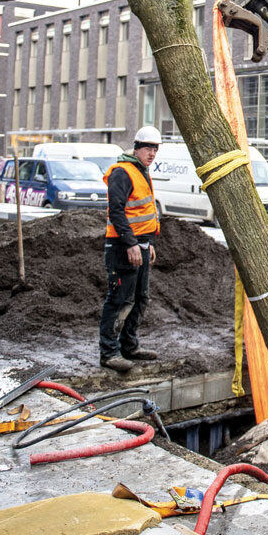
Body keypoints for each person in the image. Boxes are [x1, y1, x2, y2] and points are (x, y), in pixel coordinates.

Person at [99, 126, 162, 373]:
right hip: (122, 247)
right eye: (148, 148)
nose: (152, 153)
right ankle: (109, 352)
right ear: (137, 148)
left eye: (155, 149)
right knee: (118, 300)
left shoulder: (141, 171)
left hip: (141, 245)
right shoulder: (122, 172)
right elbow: (116, 212)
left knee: (140, 298)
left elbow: (142, 212)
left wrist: (148, 243)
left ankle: (129, 345)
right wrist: (131, 244)